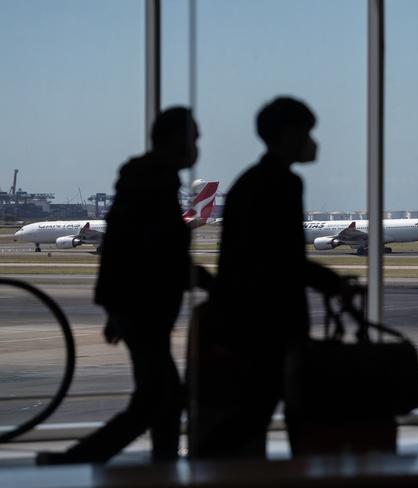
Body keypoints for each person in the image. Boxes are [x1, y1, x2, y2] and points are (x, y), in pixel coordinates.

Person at [37, 107, 200, 465]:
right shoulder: (150, 182)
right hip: (144, 309)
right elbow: (146, 251)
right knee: (162, 397)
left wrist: (115, 308)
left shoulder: (150, 179)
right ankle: (84, 459)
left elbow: (130, 250)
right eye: (194, 138)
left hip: (141, 308)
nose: (197, 146)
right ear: (176, 140)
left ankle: (151, 461)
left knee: (160, 398)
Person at [197, 96, 344, 458]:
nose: (314, 142)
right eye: (309, 132)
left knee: (255, 411)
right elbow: (283, 257)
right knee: (279, 408)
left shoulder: (251, 180)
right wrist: (332, 283)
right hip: (269, 319)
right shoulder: (282, 183)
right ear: (289, 134)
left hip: (247, 317)